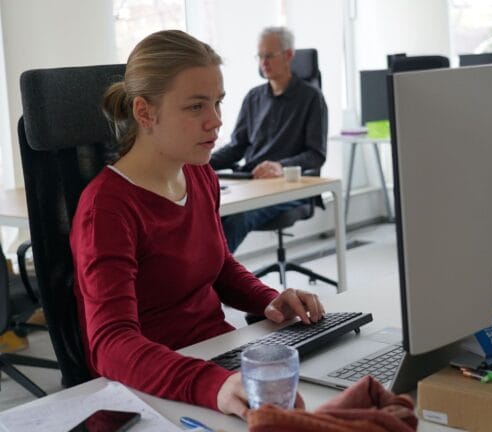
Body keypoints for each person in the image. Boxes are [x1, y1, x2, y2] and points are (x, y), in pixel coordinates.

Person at [69, 30, 324, 419]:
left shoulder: (199, 175)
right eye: (196, 107)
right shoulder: (106, 209)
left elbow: (219, 264)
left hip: (217, 362)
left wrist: (267, 299)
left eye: (218, 103)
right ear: (145, 113)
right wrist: (212, 384)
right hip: (153, 389)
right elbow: (111, 344)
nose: (216, 122)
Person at [210, 26, 328, 252]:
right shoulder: (253, 97)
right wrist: (200, 163)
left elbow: (316, 155)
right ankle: (205, 281)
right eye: (260, 56)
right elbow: (237, 147)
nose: (263, 62)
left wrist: (279, 166)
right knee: (209, 215)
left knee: (238, 219)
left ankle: (215, 282)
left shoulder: (311, 98)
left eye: (269, 56)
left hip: (289, 187)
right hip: (252, 181)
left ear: (289, 55)